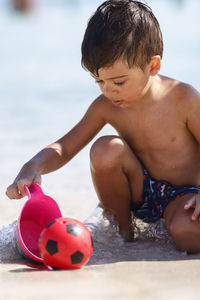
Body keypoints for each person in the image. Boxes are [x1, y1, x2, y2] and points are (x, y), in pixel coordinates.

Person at [6, 0, 200, 252]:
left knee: (186, 233)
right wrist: (32, 166)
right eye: (99, 81)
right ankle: (120, 234)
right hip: (140, 191)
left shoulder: (183, 98)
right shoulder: (106, 105)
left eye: (118, 82)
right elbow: (65, 147)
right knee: (105, 149)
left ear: (152, 66)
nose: (109, 91)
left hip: (184, 194)